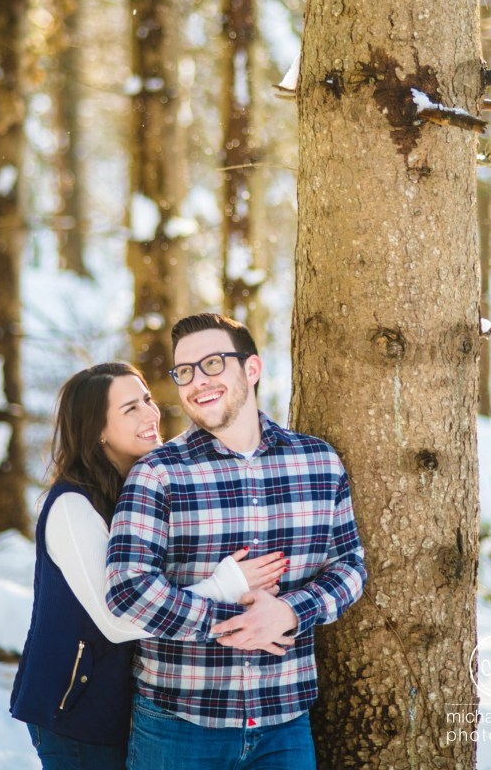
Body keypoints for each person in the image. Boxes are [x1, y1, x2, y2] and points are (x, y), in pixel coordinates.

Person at [106, 315, 367, 770]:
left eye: (212, 364)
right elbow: (128, 591)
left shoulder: (318, 461)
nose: (197, 382)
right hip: (178, 725)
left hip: (284, 726)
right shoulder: (158, 474)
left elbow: (349, 567)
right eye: (184, 371)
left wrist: (288, 612)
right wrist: (232, 622)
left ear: (251, 369)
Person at [10, 361, 287, 770]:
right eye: (130, 409)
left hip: (127, 701)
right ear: (97, 430)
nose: (151, 413)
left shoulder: (141, 488)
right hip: (76, 708)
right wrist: (228, 586)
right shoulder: (72, 507)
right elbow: (118, 620)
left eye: (147, 400)